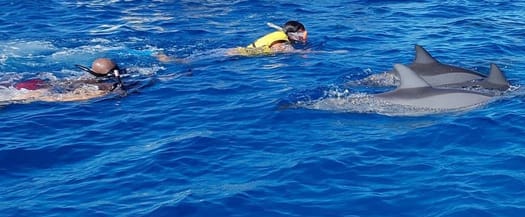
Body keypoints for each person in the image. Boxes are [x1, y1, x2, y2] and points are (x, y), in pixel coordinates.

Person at [155, 20, 308, 62]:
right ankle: (168, 59)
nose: (304, 35)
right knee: (189, 62)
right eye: (301, 32)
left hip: (235, 51)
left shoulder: (280, 36)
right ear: (293, 34)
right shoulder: (282, 42)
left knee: (194, 58)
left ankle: (167, 57)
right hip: (236, 53)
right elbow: (283, 51)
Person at [5, 57, 124, 103]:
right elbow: (63, 98)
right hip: (36, 89)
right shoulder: (107, 86)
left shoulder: (86, 79)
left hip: (34, 82)